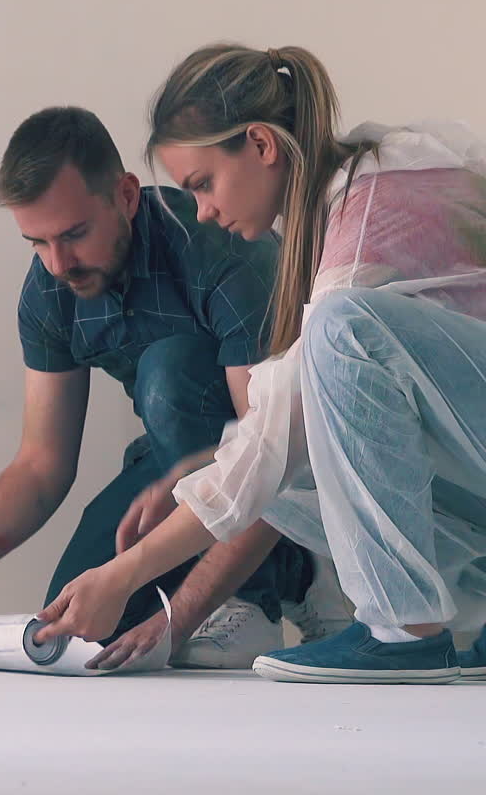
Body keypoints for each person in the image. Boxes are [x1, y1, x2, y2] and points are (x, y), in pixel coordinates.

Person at [35, 47, 486, 683]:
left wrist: (125, 574)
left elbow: (274, 438)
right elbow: (278, 443)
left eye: (202, 184)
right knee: (296, 455)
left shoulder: (378, 198)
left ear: (261, 145)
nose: (203, 212)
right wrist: (200, 478)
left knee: (338, 336)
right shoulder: (335, 210)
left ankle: (404, 632)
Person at [0, 106, 339, 665]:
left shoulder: (223, 250)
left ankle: (274, 586)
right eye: (37, 243)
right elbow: (40, 466)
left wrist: (177, 619)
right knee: (71, 622)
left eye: (74, 234)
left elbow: (273, 456)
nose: (58, 262)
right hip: (175, 466)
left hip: (292, 463)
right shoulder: (49, 287)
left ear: (126, 196)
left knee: (167, 373)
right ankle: (231, 582)